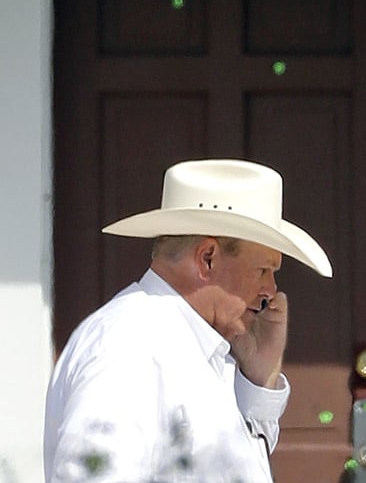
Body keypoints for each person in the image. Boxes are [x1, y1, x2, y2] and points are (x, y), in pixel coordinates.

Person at [43, 158, 332, 482]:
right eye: (263, 270)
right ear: (207, 259)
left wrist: (259, 379)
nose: (270, 291)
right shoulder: (131, 345)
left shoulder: (188, 342)